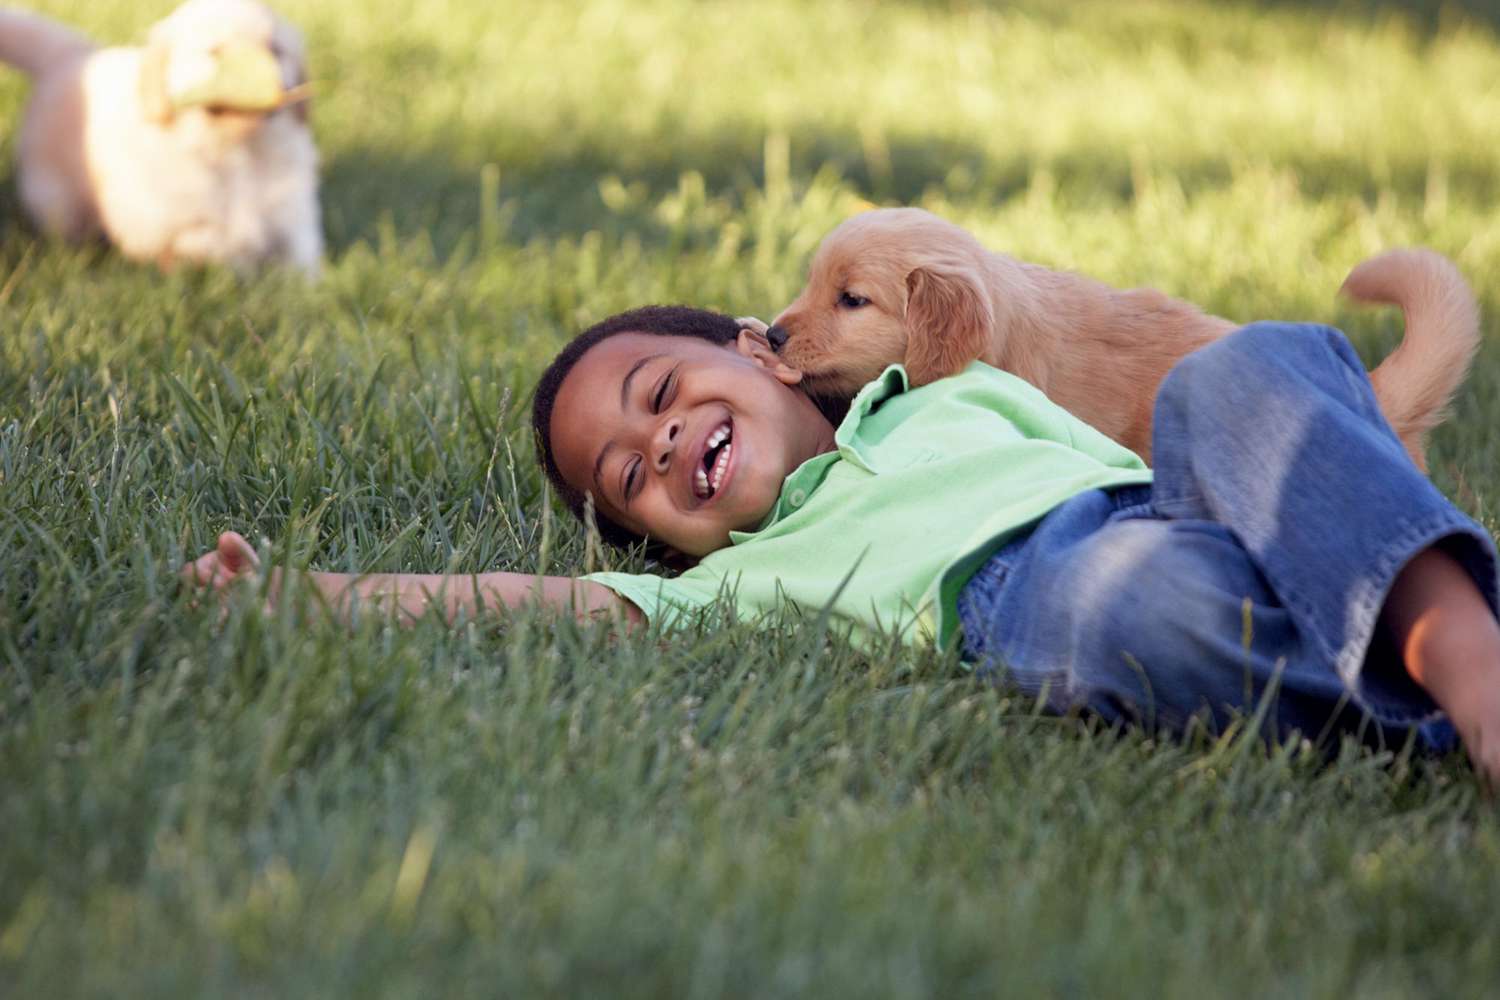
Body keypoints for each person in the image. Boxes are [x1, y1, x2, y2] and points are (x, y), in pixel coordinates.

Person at [183, 305, 1500, 783]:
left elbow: (1170, 389)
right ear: (657, 541)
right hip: (1057, 588)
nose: (656, 447)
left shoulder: (943, 393)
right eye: (623, 479)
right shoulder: (751, 581)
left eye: (659, 393)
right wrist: (318, 589)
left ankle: (1468, 661)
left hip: (1188, 498)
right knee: (1112, 605)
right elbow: (537, 600)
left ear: (760, 350)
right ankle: (1437, 686)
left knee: (1237, 372)